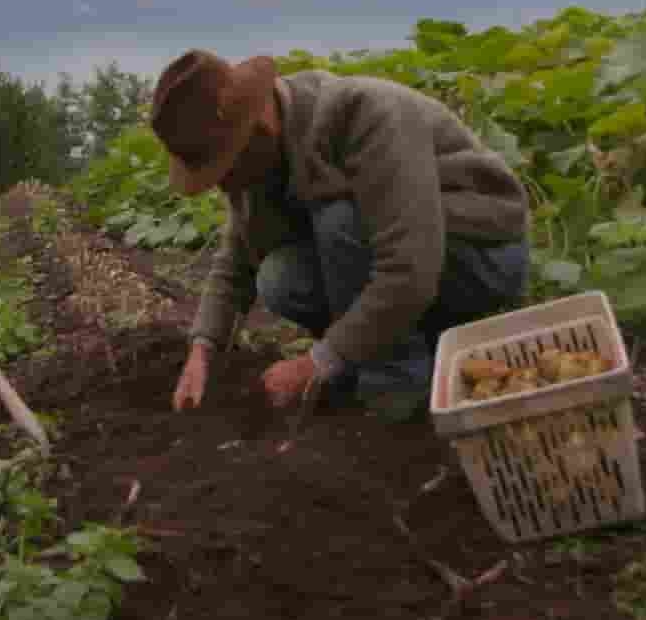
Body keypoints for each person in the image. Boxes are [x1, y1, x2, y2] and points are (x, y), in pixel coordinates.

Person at [148, 48, 531, 416]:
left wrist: (316, 363)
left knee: (340, 218)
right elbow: (234, 264)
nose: (225, 183)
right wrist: (202, 350)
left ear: (258, 128)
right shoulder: (259, 162)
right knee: (280, 277)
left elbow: (410, 269)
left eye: (224, 166)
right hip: (413, 273)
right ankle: (394, 349)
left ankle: (396, 388)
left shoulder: (366, 114)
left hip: (483, 259)